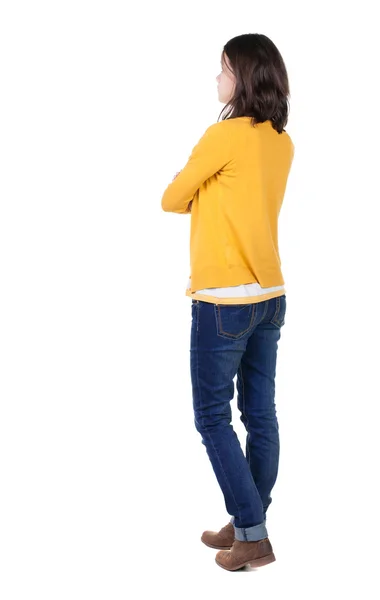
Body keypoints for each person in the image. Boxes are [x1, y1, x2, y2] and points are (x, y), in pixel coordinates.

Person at [161, 33, 295, 572]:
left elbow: (171, 198)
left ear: (240, 76)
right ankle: (248, 520)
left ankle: (253, 535)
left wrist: (201, 189)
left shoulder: (223, 136)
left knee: (212, 418)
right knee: (260, 415)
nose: (216, 79)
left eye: (222, 69)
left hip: (223, 301)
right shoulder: (282, 142)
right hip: (270, 296)